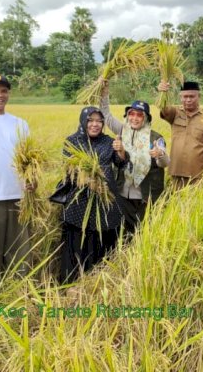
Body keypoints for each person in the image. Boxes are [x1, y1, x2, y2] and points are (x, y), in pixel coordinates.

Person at [59, 107, 127, 284]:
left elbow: (121, 164)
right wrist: (92, 183)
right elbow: (69, 170)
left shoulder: (108, 141)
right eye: (91, 120)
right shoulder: (72, 141)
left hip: (105, 201)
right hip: (78, 203)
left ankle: (98, 283)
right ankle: (72, 284)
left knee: (101, 239)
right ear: (83, 121)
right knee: (78, 242)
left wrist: (120, 151)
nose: (95, 124)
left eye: (99, 121)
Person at [0, 74, 32, 292]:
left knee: (19, 253)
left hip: (18, 198)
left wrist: (32, 181)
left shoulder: (20, 124)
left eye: (4, 91)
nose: (0, 95)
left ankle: (20, 297)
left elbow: (30, 161)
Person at [98, 81, 169, 234]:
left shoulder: (156, 137)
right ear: (127, 115)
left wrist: (160, 154)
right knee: (126, 232)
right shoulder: (123, 130)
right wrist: (104, 91)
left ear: (146, 118)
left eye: (139, 115)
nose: (135, 118)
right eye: (132, 114)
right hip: (124, 193)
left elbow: (165, 163)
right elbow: (106, 114)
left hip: (147, 195)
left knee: (147, 231)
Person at [158, 81, 203, 189]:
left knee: (199, 204)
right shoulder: (175, 113)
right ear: (180, 97)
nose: (188, 100)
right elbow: (163, 108)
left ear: (199, 96)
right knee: (176, 203)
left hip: (200, 174)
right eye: (185, 97)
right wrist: (163, 93)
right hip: (177, 172)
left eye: (192, 96)